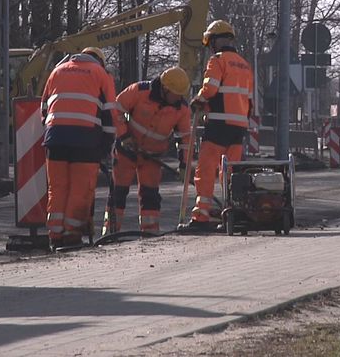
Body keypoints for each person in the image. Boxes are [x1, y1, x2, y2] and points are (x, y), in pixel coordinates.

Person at [41, 47, 118, 249]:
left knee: (56, 188)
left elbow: (43, 109)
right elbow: (110, 115)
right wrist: (106, 145)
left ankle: (55, 235)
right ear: (99, 61)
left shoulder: (57, 71)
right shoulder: (101, 74)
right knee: (80, 189)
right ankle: (72, 236)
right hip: (85, 139)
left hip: (54, 138)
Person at [102, 66, 192, 235]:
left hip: (152, 157)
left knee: (150, 195)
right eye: (175, 94)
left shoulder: (182, 109)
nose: (178, 98)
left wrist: (184, 165)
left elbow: (185, 139)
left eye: (181, 95)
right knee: (118, 192)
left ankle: (150, 233)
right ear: (165, 89)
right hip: (127, 151)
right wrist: (124, 136)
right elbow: (116, 109)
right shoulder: (139, 91)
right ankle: (110, 232)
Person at [184, 20, 254, 232]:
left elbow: (211, 88)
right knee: (231, 172)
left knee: (206, 170)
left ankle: (201, 217)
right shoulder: (244, 64)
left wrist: (198, 99)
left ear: (214, 41)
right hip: (238, 127)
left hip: (219, 124)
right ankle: (233, 212)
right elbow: (249, 100)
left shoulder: (218, 60)